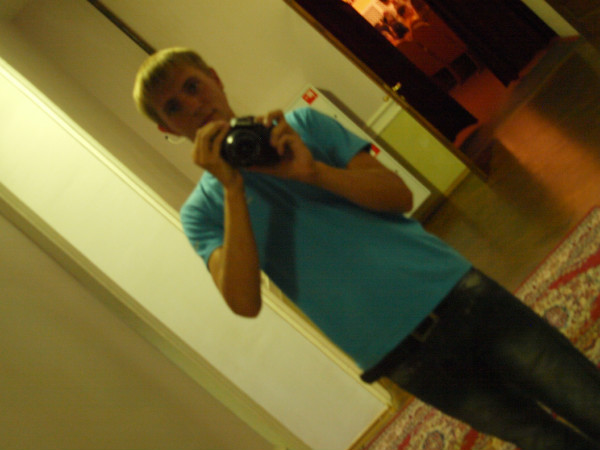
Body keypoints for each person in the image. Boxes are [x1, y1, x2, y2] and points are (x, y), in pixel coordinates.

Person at [132, 47, 600, 449]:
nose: (192, 105)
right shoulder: (202, 212)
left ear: (215, 78)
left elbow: (398, 196)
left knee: (586, 397)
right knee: (540, 440)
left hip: (457, 295)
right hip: (403, 357)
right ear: (165, 128)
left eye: (192, 86)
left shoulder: (302, 125)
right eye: (173, 106)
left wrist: (313, 173)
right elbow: (243, 301)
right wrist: (231, 189)